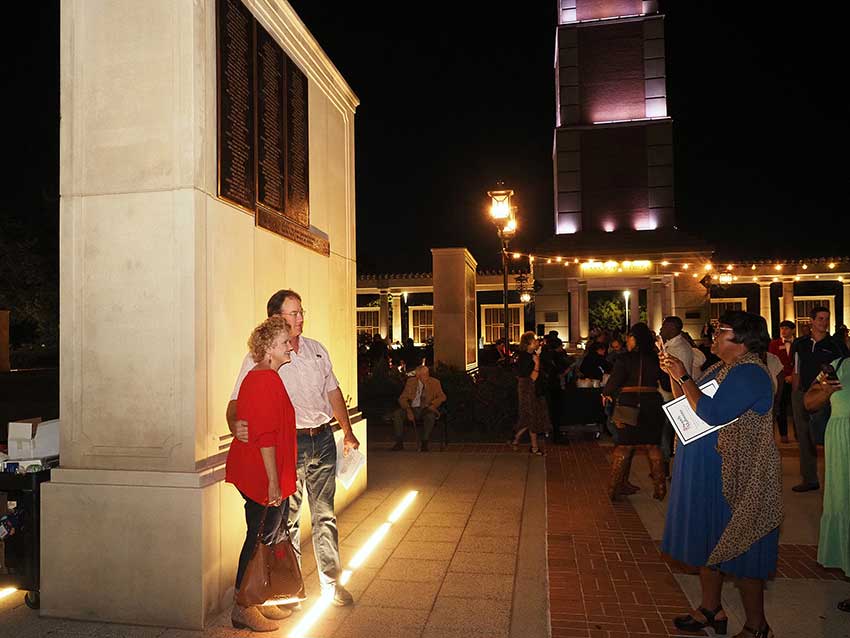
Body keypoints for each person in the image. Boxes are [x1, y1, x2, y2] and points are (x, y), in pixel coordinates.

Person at [228, 290, 359, 607]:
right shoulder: (262, 359)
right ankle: (291, 588)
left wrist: (347, 430)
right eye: (293, 313)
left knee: (325, 515)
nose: (300, 318)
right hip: (290, 444)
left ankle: (331, 583)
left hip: (323, 439)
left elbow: (333, 392)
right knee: (287, 518)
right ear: (276, 319)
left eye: (301, 312)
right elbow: (236, 402)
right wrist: (234, 425)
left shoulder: (316, 350)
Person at [660, 311, 781, 638]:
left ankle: (757, 626)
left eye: (720, 331)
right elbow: (688, 402)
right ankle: (710, 608)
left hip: (739, 477)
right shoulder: (720, 368)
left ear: (741, 340)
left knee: (743, 548)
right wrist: (675, 374)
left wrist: (685, 376)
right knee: (709, 542)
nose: (712, 335)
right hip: (711, 472)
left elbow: (713, 413)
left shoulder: (751, 374)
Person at [226, 316, 297, 631]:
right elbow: (265, 437)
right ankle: (242, 606)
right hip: (260, 474)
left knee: (264, 535)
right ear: (269, 349)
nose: (290, 347)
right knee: (257, 539)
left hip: (263, 471)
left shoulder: (263, 376)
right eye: (284, 343)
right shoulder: (265, 379)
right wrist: (272, 482)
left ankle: (256, 599)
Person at [804, 354, 849, 613]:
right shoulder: (838, 366)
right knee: (845, 507)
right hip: (843, 445)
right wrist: (826, 392)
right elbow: (809, 402)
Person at [602, 322, 666, 501]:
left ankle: (614, 488)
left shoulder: (624, 359)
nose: (627, 341)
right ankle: (660, 488)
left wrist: (607, 392)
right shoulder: (657, 358)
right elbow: (667, 383)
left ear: (635, 339)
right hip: (652, 404)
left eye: (629, 337)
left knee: (624, 446)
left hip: (628, 404)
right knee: (653, 446)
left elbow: (612, 384)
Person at [790, 306, 849, 492]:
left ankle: (834, 481)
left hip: (826, 396)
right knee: (804, 437)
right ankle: (810, 479)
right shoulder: (800, 344)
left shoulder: (836, 345)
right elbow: (796, 370)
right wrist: (796, 393)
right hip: (802, 392)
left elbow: (844, 369)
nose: (824, 322)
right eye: (820, 318)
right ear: (812, 320)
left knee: (826, 437)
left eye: (826, 318)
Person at [509, 331, 552, 455]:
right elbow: (531, 377)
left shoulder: (530, 355)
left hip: (534, 390)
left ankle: (516, 439)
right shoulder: (525, 358)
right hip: (528, 390)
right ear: (528, 344)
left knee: (531, 417)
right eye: (534, 341)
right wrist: (537, 364)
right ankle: (530, 445)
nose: (537, 342)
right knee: (531, 417)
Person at [390, 364, 446, 452]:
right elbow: (402, 398)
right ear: (418, 376)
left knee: (430, 417)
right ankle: (399, 442)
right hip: (413, 407)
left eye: (427, 373)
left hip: (426, 408)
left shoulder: (435, 382)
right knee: (397, 414)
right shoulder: (411, 382)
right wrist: (408, 410)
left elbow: (442, 397)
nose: (426, 376)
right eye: (424, 375)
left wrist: (433, 404)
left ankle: (425, 442)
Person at [768, 320, 796, 443]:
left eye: (787, 328)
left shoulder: (798, 343)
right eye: (782, 328)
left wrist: (793, 375)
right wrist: (784, 376)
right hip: (781, 380)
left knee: (796, 407)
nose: (784, 331)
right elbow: (773, 361)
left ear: (792, 330)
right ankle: (783, 434)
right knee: (781, 407)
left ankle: (798, 433)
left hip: (795, 379)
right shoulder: (774, 344)